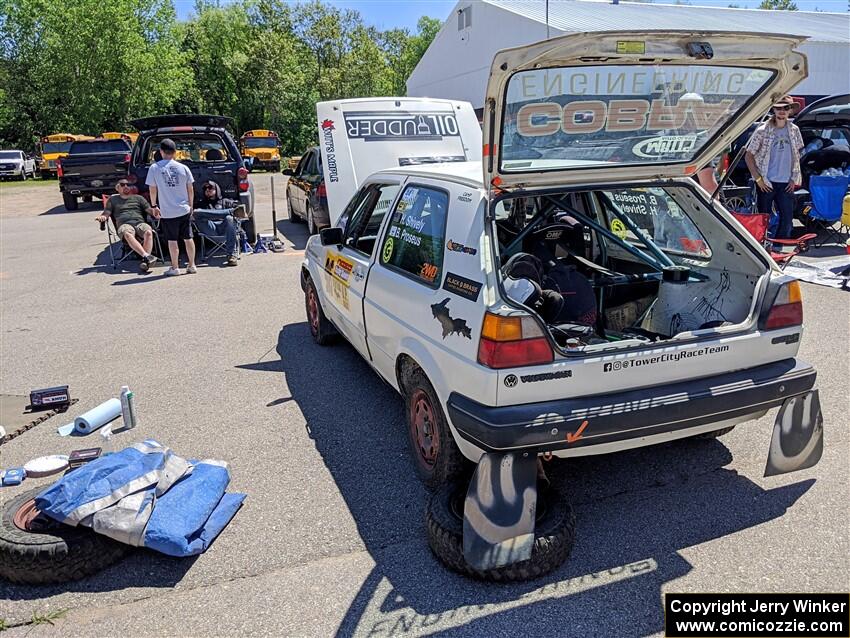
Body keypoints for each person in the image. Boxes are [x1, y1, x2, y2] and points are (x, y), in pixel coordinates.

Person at [744, 95, 804, 242]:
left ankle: (781, 250)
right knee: (763, 218)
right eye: (779, 108)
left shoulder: (795, 130)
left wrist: (793, 178)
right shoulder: (762, 130)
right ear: (773, 109)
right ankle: (764, 249)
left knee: (787, 219)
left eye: (786, 108)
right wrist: (759, 180)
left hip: (786, 182)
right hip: (766, 182)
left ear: (790, 110)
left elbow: (798, 154)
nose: (782, 111)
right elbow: (748, 156)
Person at [146, 139, 197, 276]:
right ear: (175, 152)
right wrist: (191, 205)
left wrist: (154, 205)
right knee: (188, 237)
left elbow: (152, 189)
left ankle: (175, 268)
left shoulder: (155, 168)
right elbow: (190, 189)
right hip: (184, 209)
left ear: (161, 152)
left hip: (168, 212)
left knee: (172, 240)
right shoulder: (183, 168)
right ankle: (191, 265)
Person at [96, 180, 159, 273]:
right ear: (117, 188)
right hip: (124, 224)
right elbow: (106, 213)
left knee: (149, 232)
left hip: (139, 222)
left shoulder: (139, 198)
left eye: (128, 184)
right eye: (122, 185)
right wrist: (103, 217)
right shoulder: (112, 200)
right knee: (127, 233)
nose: (126, 186)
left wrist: (155, 211)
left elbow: (149, 210)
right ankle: (146, 256)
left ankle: (145, 261)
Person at [194, 180, 242, 266]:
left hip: (226, 230)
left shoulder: (226, 201)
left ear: (217, 189)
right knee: (197, 212)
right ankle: (230, 211)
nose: (207, 190)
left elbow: (240, 209)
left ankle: (231, 255)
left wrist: (210, 215)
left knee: (229, 218)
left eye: (210, 187)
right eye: (205, 188)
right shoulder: (201, 204)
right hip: (210, 229)